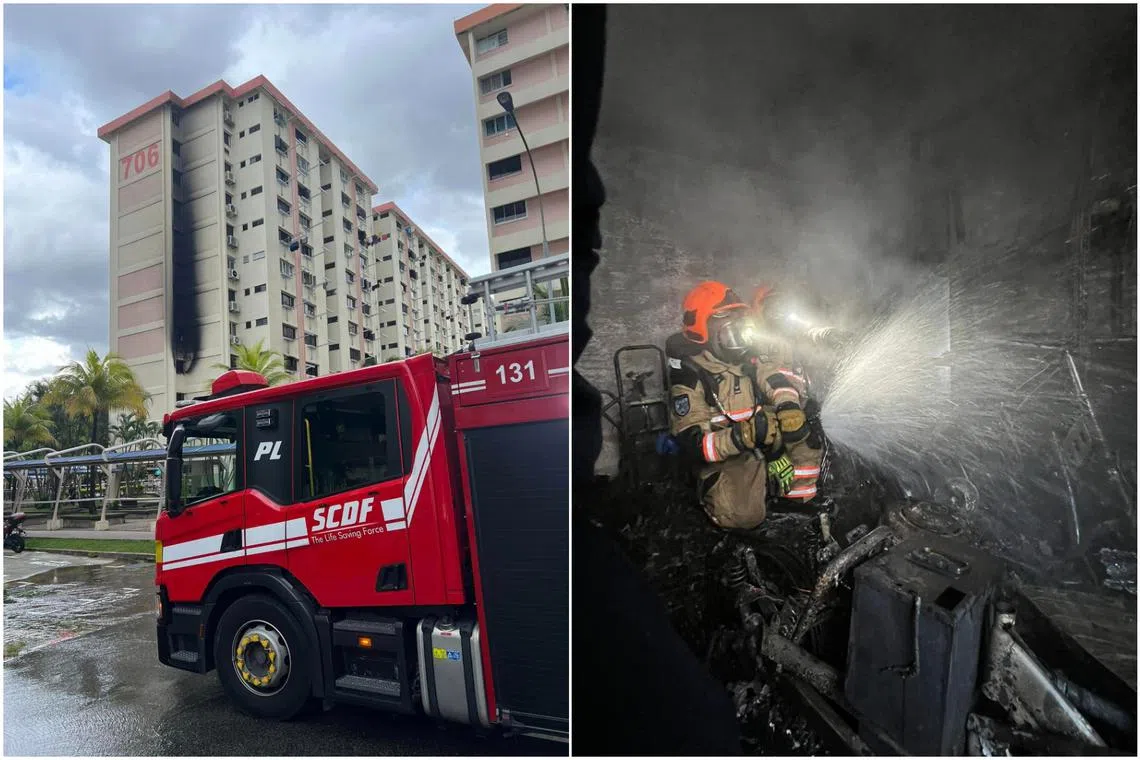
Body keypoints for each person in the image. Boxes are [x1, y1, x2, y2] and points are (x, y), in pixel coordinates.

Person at [666, 281, 822, 530]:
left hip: (760, 444)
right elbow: (693, 446)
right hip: (727, 456)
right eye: (729, 329)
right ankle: (719, 499)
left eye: (740, 325)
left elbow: (775, 380)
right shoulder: (690, 375)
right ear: (705, 330)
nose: (738, 337)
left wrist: (789, 407)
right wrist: (744, 436)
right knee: (744, 516)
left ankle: (792, 507)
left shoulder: (747, 358)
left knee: (805, 437)